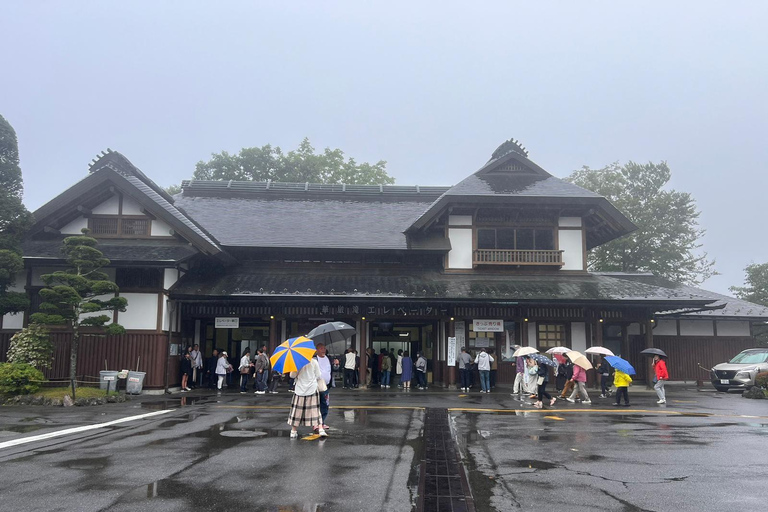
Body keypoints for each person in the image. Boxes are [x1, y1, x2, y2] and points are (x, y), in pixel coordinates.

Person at [287, 357, 326, 439]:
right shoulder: (314, 362)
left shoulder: (297, 362)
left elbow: (292, 375)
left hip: (300, 389)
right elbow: (318, 375)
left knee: (297, 411)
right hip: (312, 388)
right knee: (315, 410)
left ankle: (293, 431)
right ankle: (321, 429)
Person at [314, 343, 332, 433]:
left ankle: (322, 422)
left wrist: (336, 364)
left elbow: (333, 370)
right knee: (316, 404)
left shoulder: (328, 358)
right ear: (317, 350)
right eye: (321, 348)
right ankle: (316, 423)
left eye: (324, 348)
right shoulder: (314, 359)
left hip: (326, 386)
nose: (323, 350)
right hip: (316, 385)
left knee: (325, 404)